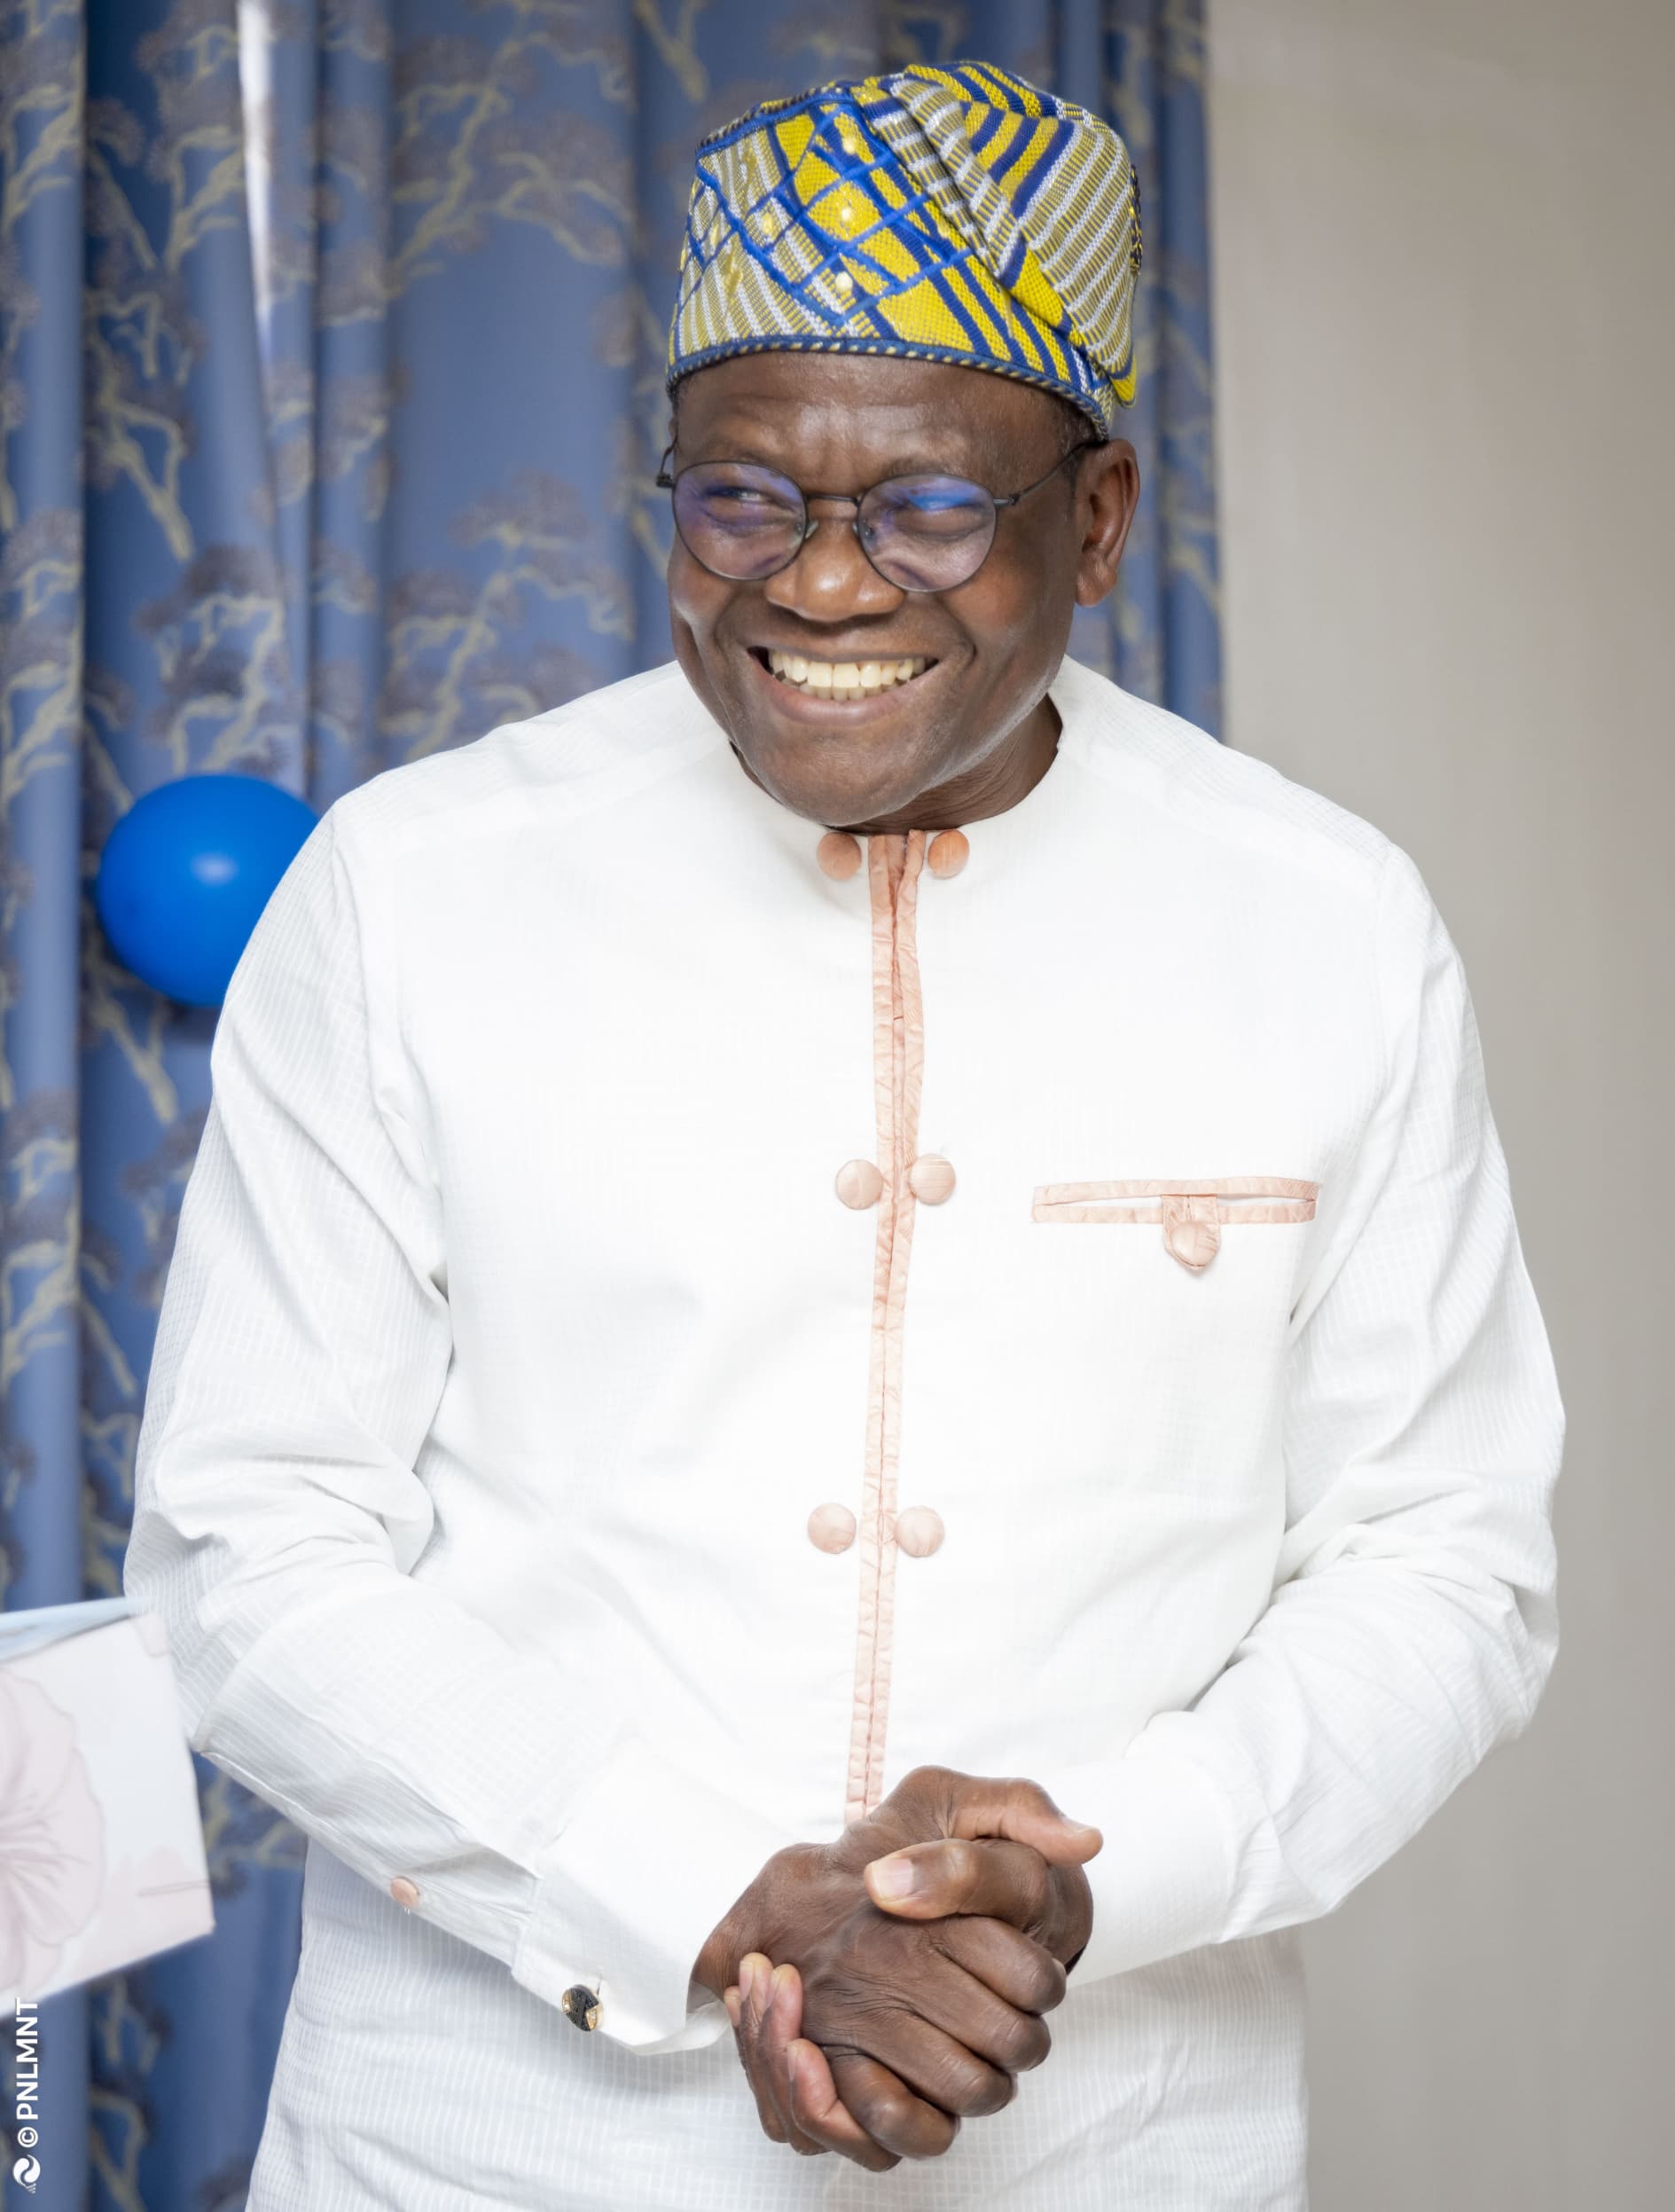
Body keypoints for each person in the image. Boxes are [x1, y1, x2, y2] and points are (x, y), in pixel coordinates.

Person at [125, 59, 1563, 2210]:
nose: (819, 585)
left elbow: (1443, 1556)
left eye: (930, 507)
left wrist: (1095, 1870)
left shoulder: (1324, 922)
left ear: (1097, 518)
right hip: (491, 2150)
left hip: (1113, 2146)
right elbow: (250, 1543)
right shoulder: (411, 888)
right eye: (741, 497)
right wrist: (711, 1887)